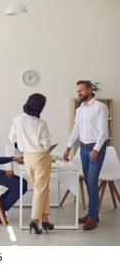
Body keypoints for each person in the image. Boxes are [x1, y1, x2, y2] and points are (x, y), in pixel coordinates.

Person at [63, 80, 108, 231]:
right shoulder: (80, 109)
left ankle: (92, 217)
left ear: (89, 90)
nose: (79, 93)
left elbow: (103, 132)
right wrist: (68, 147)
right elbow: (76, 129)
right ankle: (92, 214)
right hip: (82, 149)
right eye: (77, 91)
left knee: (92, 181)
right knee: (90, 183)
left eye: (81, 90)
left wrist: (96, 149)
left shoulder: (100, 107)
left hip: (96, 149)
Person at [9, 93, 53, 234]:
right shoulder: (41, 123)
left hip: (27, 157)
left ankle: (45, 220)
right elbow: (46, 145)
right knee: (41, 189)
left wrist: (25, 141)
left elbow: (12, 138)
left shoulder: (18, 119)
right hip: (41, 157)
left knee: (41, 189)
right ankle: (35, 221)